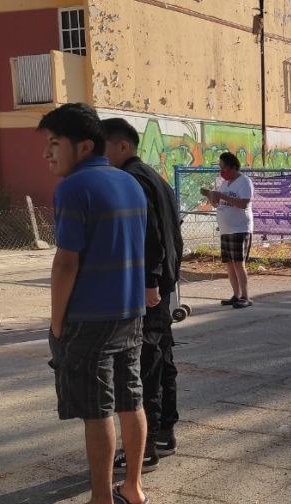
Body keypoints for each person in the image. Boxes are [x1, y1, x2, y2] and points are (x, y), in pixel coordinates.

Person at [40, 103, 149, 504]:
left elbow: (66, 262)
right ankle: (133, 488)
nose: (47, 154)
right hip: (130, 312)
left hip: (89, 317)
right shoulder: (130, 183)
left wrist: (56, 322)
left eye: (54, 144)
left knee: (96, 409)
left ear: (83, 147)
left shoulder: (73, 189)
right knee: (130, 398)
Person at [103, 118, 184, 470]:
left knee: (146, 364)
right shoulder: (155, 177)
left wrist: (151, 280)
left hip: (146, 287)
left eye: (102, 147)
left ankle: (146, 446)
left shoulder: (131, 179)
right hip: (161, 286)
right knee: (161, 357)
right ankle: (165, 431)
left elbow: (150, 233)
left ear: (122, 146)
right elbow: (173, 234)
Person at [201, 152, 253, 308]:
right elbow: (217, 204)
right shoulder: (225, 183)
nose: (221, 171)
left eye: (223, 167)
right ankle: (236, 295)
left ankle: (245, 296)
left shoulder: (244, 182)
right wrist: (211, 196)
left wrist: (221, 195)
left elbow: (243, 203)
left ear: (232, 166)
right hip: (226, 229)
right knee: (229, 264)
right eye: (220, 168)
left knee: (238, 263)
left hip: (240, 228)